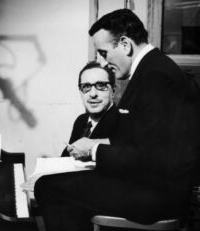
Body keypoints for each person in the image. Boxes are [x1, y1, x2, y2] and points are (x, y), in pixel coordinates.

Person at [34, 9, 199, 231]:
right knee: (63, 182)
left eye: (104, 53)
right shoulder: (154, 68)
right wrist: (96, 145)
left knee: (48, 187)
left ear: (125, 44)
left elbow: (150, 159)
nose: (103, 62)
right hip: (156, 188)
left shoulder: (155, 76)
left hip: (158, 198)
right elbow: (146, 142)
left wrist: (93, 151)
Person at [61, 61, 118, 157]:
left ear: (113, 91)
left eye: (101, 86)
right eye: (86, 87)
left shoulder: (125, 122)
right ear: (80, 92)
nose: (93, 94)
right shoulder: (81, 120)